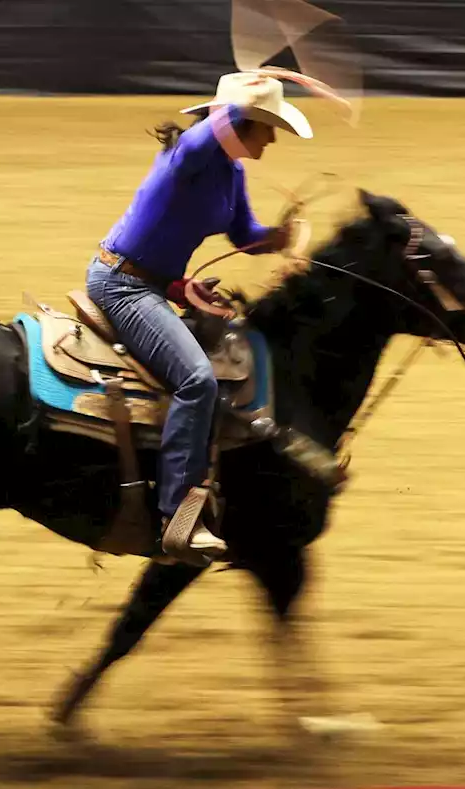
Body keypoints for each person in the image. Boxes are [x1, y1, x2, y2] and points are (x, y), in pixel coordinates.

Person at [86, 72, 315, 562]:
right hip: (123, 285)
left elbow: (243, 235)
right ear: (240, 122)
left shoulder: (230, 172)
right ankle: (178, 516)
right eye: (266, 126)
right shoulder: (190, 154)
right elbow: (208, 134)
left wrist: (279, 236)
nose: (272, 138)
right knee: (196, 380)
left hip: (153, 284)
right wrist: (241, 103)